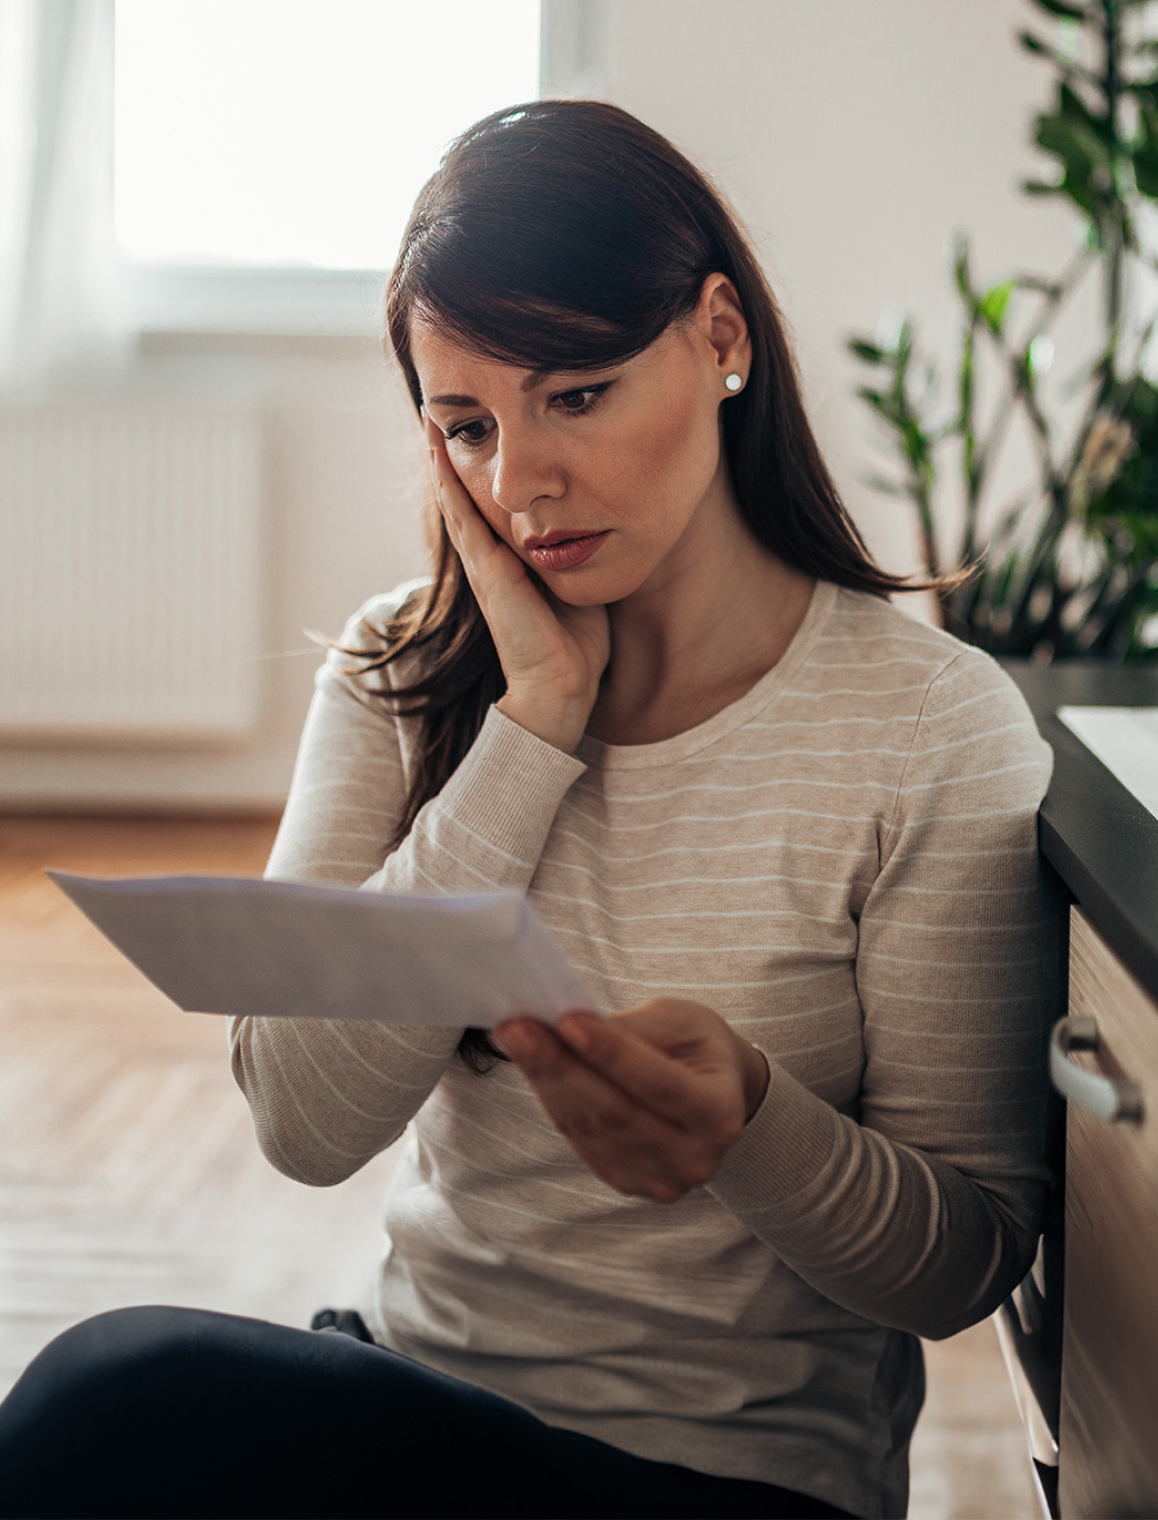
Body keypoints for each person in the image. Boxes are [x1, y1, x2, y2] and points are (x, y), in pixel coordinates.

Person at [0, 100, 1063, 1520]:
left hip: (731, 1480)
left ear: (720, 337)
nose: (521, 484)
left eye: (575, 394)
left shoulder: (928, 727)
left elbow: (962, 1265)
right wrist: (529, 728)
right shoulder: (402, 675)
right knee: (107, 1397)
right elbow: (302, 1129)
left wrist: (749, 1128)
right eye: (467, 427)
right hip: (418, 1398)